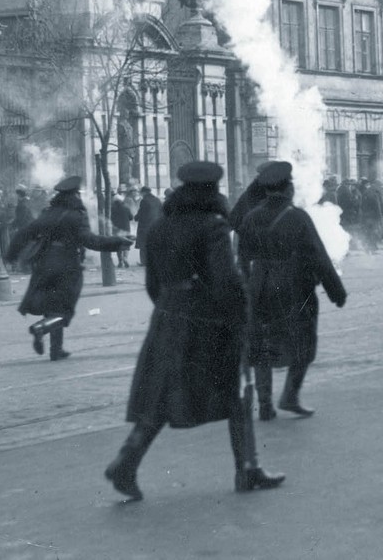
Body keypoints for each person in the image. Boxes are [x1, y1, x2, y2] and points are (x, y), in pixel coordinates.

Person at [104, 161, 285, 501]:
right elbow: (225, 280)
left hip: (167, 317)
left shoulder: (160, 227)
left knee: (161, 395)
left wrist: (171, 307)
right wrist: (240, 318)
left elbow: (152, 284)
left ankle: (126, 461)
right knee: (237, 390)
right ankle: (247, 468)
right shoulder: (212, 226)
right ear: (212, 191)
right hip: (206, 322)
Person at [238, 161, 347, 420]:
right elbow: (318, 256)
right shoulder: (297, 217)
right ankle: (290, 395)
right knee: (303, 341)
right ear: (288, 189)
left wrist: (249, 286)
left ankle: (265, 404)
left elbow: (241, 258)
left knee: (262, 344)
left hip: (259, 286)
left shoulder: (251, 217)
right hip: (293, 287)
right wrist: (336, 291)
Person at [5, 176, 133, 361]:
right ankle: (41, 328)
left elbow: (25, 233)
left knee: (52, 307)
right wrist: (117, 242)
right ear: (75, 195)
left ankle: (56, 350)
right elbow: (90, 241)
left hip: (44, 265)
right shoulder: (77, 216)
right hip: (67, 265)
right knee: (64, 310)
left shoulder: (48, 213)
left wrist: (11, 254)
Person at [133, 186, 163, 265]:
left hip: (145, 226)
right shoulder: (157, 200)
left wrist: (136, 218)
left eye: (141, 193)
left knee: (143, 245)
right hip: (156, 225)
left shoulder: (144, 201)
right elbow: (161, 212)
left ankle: (144, 262)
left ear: (144, 192)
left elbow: (141, 213)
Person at [110, 194, 133, 268]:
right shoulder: (126, 208)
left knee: (118, 245)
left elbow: (110, 218)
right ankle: (125, 258)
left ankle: (120, 261)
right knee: (126, 244)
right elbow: (131, 217)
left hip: (116, 229)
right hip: (126, 229)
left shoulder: (112, 208)